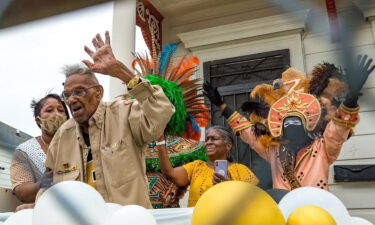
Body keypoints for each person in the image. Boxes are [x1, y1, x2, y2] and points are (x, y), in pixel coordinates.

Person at [41, 31, 175, 208]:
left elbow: (162, 111)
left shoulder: (124, 114)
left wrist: (121, 72)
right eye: (67, 95)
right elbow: (47, 185)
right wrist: (38, 208)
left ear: (99, 93)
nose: (72, 99)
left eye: (79, 92)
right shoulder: (61, 137)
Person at [203, 55, 374, 191]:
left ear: (307, 126)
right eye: (287, 124)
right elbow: (248, 132)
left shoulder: (322, 147)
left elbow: (338, 127)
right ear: (280, 129)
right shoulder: (274, 151)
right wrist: (222, 106)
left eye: (296, 123)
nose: (292, 127)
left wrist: (352, 96)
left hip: (317, 214)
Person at [157, 125, 259, 207]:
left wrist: (230, 186)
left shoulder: (240, 170)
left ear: (228, 146)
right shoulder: (196, 167)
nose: (208, 142)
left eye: (214, 139)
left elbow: (254, 199)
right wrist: (160, 142)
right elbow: (170, 173)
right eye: (207, 139)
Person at [11, 94, 69, 205]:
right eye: (49, 110)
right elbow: (21, 191)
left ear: (67, 118)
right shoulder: (24, 151)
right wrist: (42, 184)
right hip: (44, 209)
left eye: (61, 110)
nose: (56, 114)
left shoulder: (79, 142)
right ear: (38, 120)